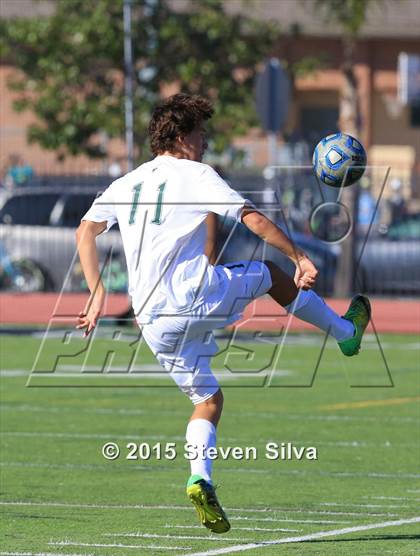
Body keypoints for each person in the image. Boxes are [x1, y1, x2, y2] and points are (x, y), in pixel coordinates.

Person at [76, 93, 371, 535]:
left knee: (206, 401)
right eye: (200, 132)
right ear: (181, 137)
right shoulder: (195, 174)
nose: (206, 140)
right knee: (271, 272)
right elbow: (250, 217)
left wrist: (97, 291)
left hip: (152, 321)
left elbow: (84, 231)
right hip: (192, 296)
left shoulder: (127, 183)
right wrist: (299, 256)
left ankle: (200, 479)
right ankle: (346, 332)